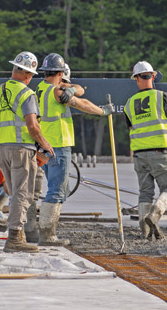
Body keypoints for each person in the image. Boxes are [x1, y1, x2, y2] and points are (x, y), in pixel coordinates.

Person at [36, 53, 114, 246]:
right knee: (56, 190)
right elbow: (82, 103)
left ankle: (44, 229)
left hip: (45, 146)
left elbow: (78, 91)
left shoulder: (41, 88)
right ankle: (47, 235)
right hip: (58, 145)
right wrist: (103, 111)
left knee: (62, 189)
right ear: (61, 73)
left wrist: (69, 87)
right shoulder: (56, 92)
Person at [0, 51, 56, 253]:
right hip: (20, 149)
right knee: (23, 194)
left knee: (14, 192)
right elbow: (32, 126)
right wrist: (45, 144)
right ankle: (14, 238)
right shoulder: (27, 94)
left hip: (1, 148)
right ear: (29, 75)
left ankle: (16, 235)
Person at [123, 61, 167, 240]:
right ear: (153, 76)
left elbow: (132, 129)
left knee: (145, 192)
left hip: (139, 154)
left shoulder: (129, 104)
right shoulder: (163, 97)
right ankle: (155, 215)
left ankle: (144, 232)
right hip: (160, 152)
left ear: (136, 79)